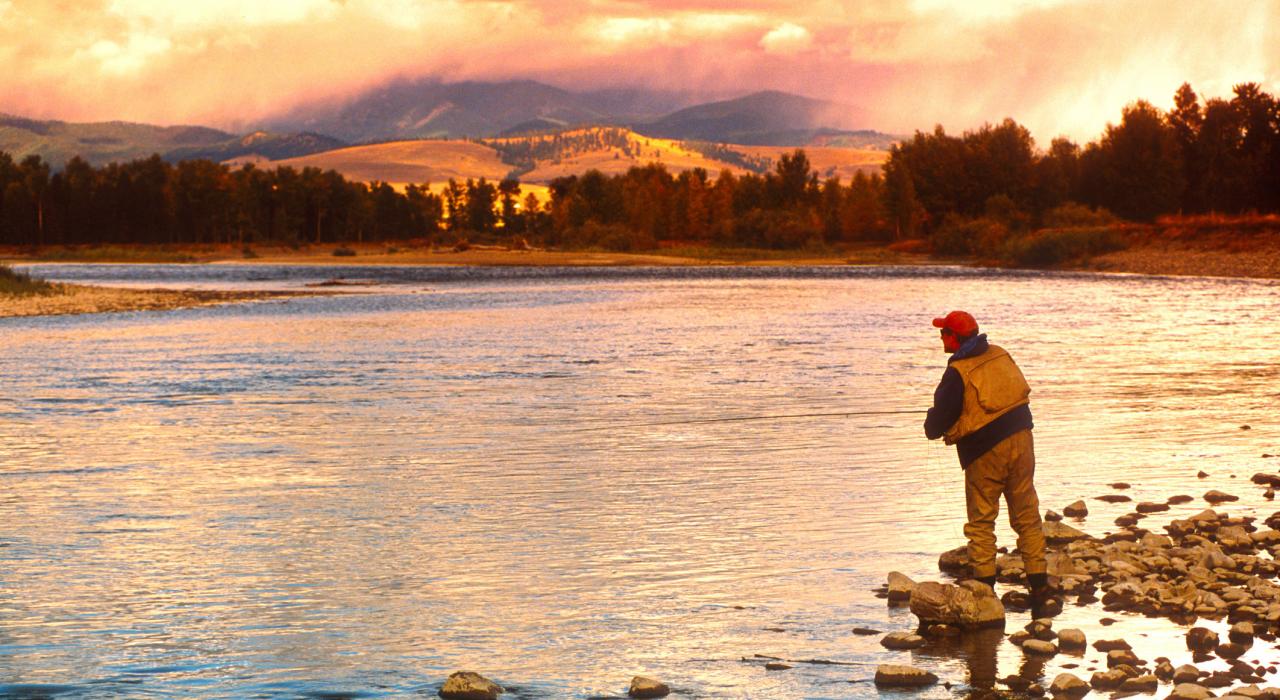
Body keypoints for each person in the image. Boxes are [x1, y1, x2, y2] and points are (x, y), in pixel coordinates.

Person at [923, 310, 1053, 615]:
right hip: (1023, 440)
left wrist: (930, 423)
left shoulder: (957, 371)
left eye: (943, 333)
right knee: (1026, 515)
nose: (940, 338)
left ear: (955, 337)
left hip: (985, 451)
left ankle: (985, 595)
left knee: (982, 521)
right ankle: (1040, 588)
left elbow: (937, 424)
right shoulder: (1000, 354)